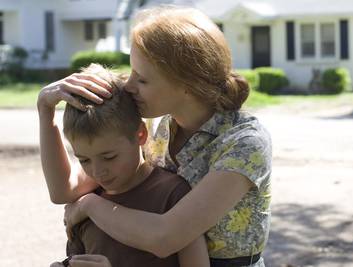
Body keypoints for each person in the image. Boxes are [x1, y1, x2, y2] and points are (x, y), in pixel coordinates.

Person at [37, 6, 272, 267]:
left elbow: (165, 237)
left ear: (186, 84)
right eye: (132, 72)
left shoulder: (244, 143)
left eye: (142, 79)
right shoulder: (157, 127)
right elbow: (64, 190)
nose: (129, 85)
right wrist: (45, 111)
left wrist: (89, 205)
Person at [46, 64, 209, 267]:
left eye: (109, 157)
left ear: (140, 134)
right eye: (84, 160)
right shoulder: (83, 204)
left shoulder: (174, 195)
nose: (98, 172)